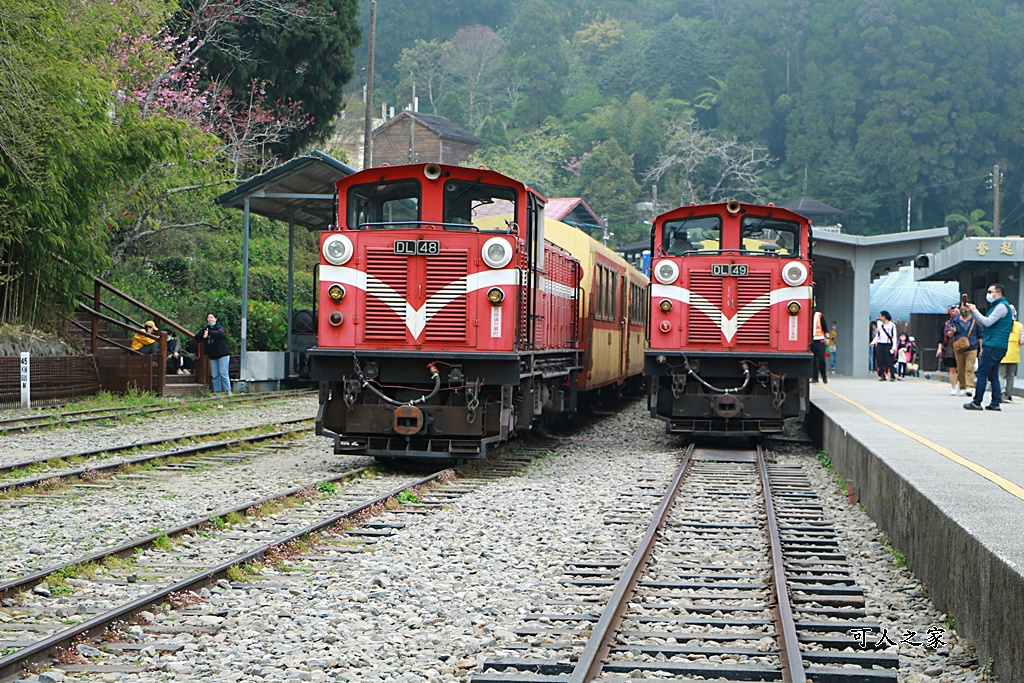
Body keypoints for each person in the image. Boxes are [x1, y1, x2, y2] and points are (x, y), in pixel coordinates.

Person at [963, 283, 1014, 411]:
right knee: (993, 375)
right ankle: (995, 402)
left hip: (993, 345)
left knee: (982, 373)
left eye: (991, 292)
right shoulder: (1000, 306)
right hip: (998, 346)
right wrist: (973, 312)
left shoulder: (1001, 307)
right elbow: (986, 323)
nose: (988, 294)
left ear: (999, 294)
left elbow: (987, 322)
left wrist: (975, 311)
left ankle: (976, 402)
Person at [195, 313, 231, 395]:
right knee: (214, 375)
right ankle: (216, 392)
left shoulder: (219, 327)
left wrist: (210, 333)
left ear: (215, 319)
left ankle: (228, 390)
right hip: (212, 355)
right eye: (208, 318)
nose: (210, 319)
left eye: (212, 317)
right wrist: (203, 336)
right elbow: (197, 337)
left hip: (222, 354)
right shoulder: (206, 329)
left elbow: (221, 333)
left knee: (223, 373)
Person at [951, 305, 982, 397]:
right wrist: (952, 331)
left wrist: (981, 348)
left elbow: (980, 336)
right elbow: (949, 334)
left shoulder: (975, 321)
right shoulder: (955, 321)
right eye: (962, 308)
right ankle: (962, 387)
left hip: (972, 347)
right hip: (959, 348)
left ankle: (969, 387)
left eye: (966, 308)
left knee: (969, 367)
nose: (963, 310)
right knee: (960, 368)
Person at [1000, 305, 1021, 402]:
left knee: (1000, 375)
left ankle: (1001, 392)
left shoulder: (1001, 324)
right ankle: (1009, 395)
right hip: (1014, 354)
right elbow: (1021, 341)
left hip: (1002, 352)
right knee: (1010, 376)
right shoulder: (1020, 326)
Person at [939, 305, 960, 395]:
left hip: (961, 346)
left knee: (962, 369)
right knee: (952, 368)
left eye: (956, 311)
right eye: (952, 311)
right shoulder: (946, 324)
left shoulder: (965, 322)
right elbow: (941, 338)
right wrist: (939, 349)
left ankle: (960, 385)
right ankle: (954, 387)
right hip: (949, 347)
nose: (954, 313)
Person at [870, 311, 898, 381]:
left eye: (881, 316)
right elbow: (878, 334)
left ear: (885, 316)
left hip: (888, 344)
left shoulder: (892, 325)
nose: (880, 317)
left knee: (889, 361)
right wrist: (873, 342)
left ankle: (892, 375)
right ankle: (882, 375)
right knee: (880, 360)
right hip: (880, 344)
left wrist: (894, 347)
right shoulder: (880, 324)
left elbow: (894, 336)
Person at [810, 307, 829, 384]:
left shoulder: (819, 315)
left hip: (819, 340)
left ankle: (824, 375)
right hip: (810, 341)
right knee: (813, 361)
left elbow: (824, 325)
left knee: (821, 360)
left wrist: (827, 335)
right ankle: (815, 378)